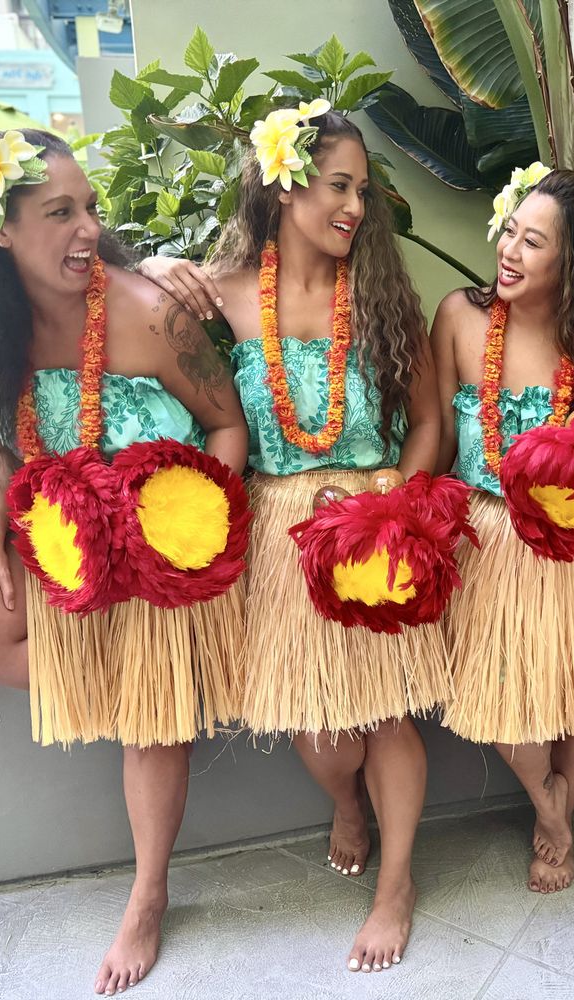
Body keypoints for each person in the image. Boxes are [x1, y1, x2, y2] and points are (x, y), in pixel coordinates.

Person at [0, 129, 249, 995]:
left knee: (151, 721)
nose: (88, 228)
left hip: (170, 546)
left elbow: (228, 424)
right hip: (65, 541)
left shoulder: (148, 310)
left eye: (90, 207)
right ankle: (117, 688)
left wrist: (192, 527)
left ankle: (148, 893)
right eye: (60, 212)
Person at [141, 106, 446, 973]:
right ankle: (346, 802)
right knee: (322, 730)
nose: (355, 206)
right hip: (276, 528)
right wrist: (160, 263)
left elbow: (425, 423)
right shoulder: (225, 290)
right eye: (339, 186)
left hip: (371, 515)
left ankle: (396, 886)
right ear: (283, 183)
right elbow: (125, 306)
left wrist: (397, 495)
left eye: (363, 191)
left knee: (386, 712)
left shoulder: (382, 293)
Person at [429, 167, 574, 894]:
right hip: (489, 540)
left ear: (573, 264)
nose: (511, 252)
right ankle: (548, 803)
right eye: (512, 233)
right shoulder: (461, 318)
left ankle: (566, 809)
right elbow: (437, 433)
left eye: (535, 243)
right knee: (501, 702)